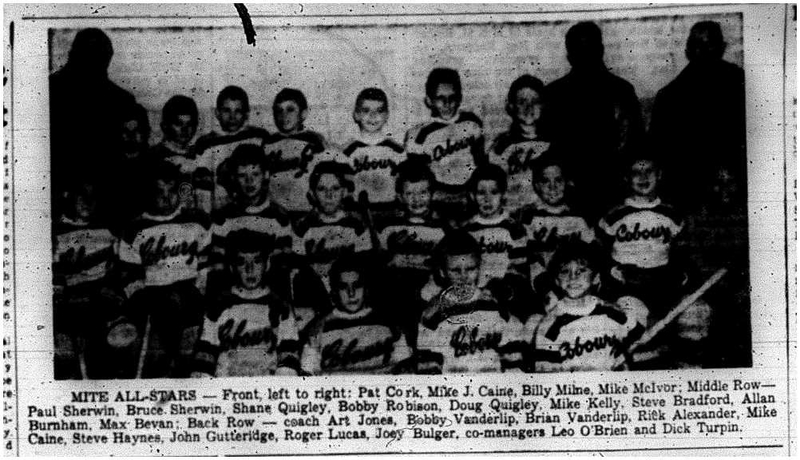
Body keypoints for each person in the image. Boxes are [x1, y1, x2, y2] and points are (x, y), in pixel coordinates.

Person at [118, 161, 212, 378]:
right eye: (159, 192)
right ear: (148, 193)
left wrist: (202, 290)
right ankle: (166, 366)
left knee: (188, 317)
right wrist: (140, 298)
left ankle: (183, 366)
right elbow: (129, 275)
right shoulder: (136, 228)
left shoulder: (197, 220)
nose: (167, 198)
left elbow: (207, 264)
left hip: (190, 288)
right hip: (155, 293)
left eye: (172, 191)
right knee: (165, 313)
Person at [542, 21, 644, 217]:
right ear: (569, 56)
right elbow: (548, 149)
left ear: (601, 50)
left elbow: (636, 145)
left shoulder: (622, 91)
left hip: (615, 191)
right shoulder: (554, 94)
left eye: (590, 48)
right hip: (567, 195)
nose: (585, 56)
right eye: (579, 50)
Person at [649, 20, 746, 211]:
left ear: (722, 48)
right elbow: (660, 153)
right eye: (696, 45)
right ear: (687, 50)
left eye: (708, 44)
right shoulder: (669, 96)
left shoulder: (739, 82)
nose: (702, 52)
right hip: (689, 188)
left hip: (735, 182)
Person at [50, 28, 137, 211]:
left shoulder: (122, 101)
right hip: (61, 194)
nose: (94, 62)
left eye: (101, 56)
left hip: (108, 194)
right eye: (89, 54)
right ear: (74, 54)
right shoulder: (49, 91)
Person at [192, 230, 301, 377]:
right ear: (232, 267)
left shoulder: (280, 306)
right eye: (242, 262)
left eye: (257, 261)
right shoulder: (217, 306)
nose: (250, 270)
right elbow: (204, 360)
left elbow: (289, 360)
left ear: (267, 264)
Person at [415, 231, 526, 373]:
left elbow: (511, 352)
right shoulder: (434, 314)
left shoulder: (493, 304)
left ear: (480, 267)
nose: (464, 276)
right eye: (455, 270)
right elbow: (428, 366)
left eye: (470, 269)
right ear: (442, 271)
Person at [531, 242, 648, 372]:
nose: (572, 277)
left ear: (596, 278)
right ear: (557, 280)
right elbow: (546, 375)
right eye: (564, 271)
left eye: (581, 271)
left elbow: (638, 336)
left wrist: (622, 356)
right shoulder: (550, 326)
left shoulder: (610, 312)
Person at [53, 178, 126, 379]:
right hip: (68, 308)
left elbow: (118, 273)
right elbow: (54, 284)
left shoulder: (108, 232)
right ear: (70, 197)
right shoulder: (55, 232)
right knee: (65, 360)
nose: (88, 201)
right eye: (82, 196)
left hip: (100, 308)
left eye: (93, 197)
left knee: (111, 355)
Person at [301, 254, 413, 375]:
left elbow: (405, 368)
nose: (351, 293)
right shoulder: (318, 327)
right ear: (334, 291)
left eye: (357, 286)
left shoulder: (389, 321)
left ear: (366, 288)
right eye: (344, 287)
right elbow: (308, 374)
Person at [374, 161, 447, 336]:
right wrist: (389, 261)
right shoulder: (388, 228)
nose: (417, 199)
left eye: (423, 192)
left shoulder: (442, 229)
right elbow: (377, 265)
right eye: (410, 193)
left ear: (432, 194)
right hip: (397, 296)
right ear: (400, 197)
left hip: (429, 296)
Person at [404, 68, 485, 225]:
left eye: (452, 98)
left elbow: (480, 164)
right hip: (438, 199)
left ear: (460, 98)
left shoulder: (472, 123)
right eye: (441, 98)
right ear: (429, 100)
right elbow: (420, 177)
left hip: (469, 196)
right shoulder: (420, 134)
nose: (447, 104)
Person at [514, 155, 595, 295]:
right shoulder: (528, 217)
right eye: (545, 181)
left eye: (558, 180)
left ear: (566, 182)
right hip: (539, 287)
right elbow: (523, 258)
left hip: (573, 284)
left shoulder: (579, 217)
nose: (553, 187)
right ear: (537, 185)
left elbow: (590, 257)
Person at [292, 161, 372, 293]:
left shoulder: (357, 225)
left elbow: (364, 268)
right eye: (322, 189)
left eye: (335, 188)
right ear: (312, 194)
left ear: (344, 192)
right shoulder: (303, 227)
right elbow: (297, 270)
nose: (329, 195)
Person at [264, 88, 346, 214]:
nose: (284, 115)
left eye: (290, 110)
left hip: (305, 208)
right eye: (279, 111)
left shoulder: (314, 140)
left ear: (303, 114)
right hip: (275, 210)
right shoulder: (269, 143)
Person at [194, 86, 270, 212]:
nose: (232, 117)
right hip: (221, 207)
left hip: (255, 207)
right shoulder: (206, 143)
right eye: (227, 111)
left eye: (238, 111)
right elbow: (200, 182)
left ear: (246, 114)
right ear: (217, 113)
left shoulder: (258, 137)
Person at [489, 75, 551, 214]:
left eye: (535, 101)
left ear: (543, 105)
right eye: (522, 101)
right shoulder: (502, 145)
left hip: (545, 212)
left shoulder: (552, 143)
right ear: (511, 106)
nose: (529, 107)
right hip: (513, 211)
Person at [341, 88, 407, 214]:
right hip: (358, 212)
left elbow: (402, 185)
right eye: (366, 110)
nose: (373, 116)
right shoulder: (347, 151)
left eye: (379, 110)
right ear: (356, 115)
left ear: (387, 115)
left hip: (390, 211)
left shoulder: (397, 150)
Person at [150, 95, 213, 212]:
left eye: (190, 124)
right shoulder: (153, 156)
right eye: (179, 124)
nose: (185, 130)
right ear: (165, 126)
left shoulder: (200, 154)